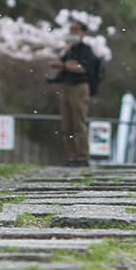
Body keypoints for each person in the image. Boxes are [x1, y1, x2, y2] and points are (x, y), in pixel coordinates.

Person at [49, 19, 98, 166]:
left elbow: (84, 68)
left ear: (83, 33)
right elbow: (63, 66)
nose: (72, 32)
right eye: (71, 29)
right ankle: (71, 156)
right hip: (66, 87)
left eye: (76, 30)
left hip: (80, 88)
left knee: (79, 123)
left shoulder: (86, 49)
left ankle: (83, 156)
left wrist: (64, 66)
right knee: (67, 124)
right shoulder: (68, 50)